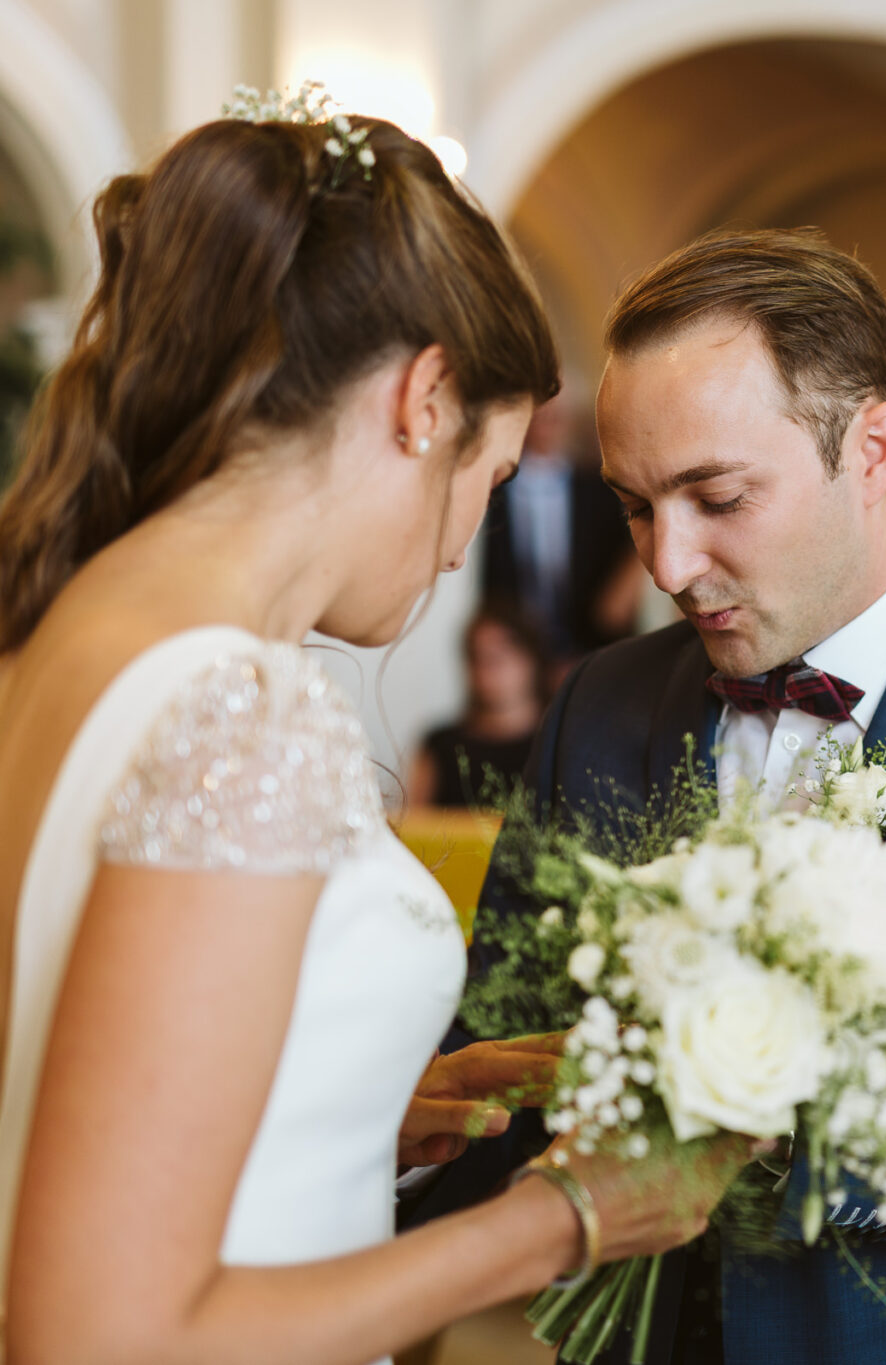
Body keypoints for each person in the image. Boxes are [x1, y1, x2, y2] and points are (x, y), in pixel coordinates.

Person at [0, 111, 739, 1365]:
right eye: (490, 476)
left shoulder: (52, 642)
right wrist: (562, 1220)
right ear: (425, 397)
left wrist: (354, 1115)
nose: (461, 549)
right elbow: (98, 1332)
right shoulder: (241, 711)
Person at [421, 228, 886, 1365]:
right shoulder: (600, 702)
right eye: (635, 506)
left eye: (717, 496)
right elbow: (499, 1060)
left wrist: (800, 1098)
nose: (668, 564)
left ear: (873, 446)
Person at [478, 392, 641, 669]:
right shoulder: (493, 492)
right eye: (538, 416)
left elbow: (625, 559)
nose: (546, 424)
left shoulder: (599, 489)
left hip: (594, 646)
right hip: (517, 653)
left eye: (555, 416)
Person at [408, 603, 550, 808]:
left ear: (530, 660)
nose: (486, 672)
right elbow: (412, 824)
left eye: (497, 659)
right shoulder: (441, 745)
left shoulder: (557, 743)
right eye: (476, 658)